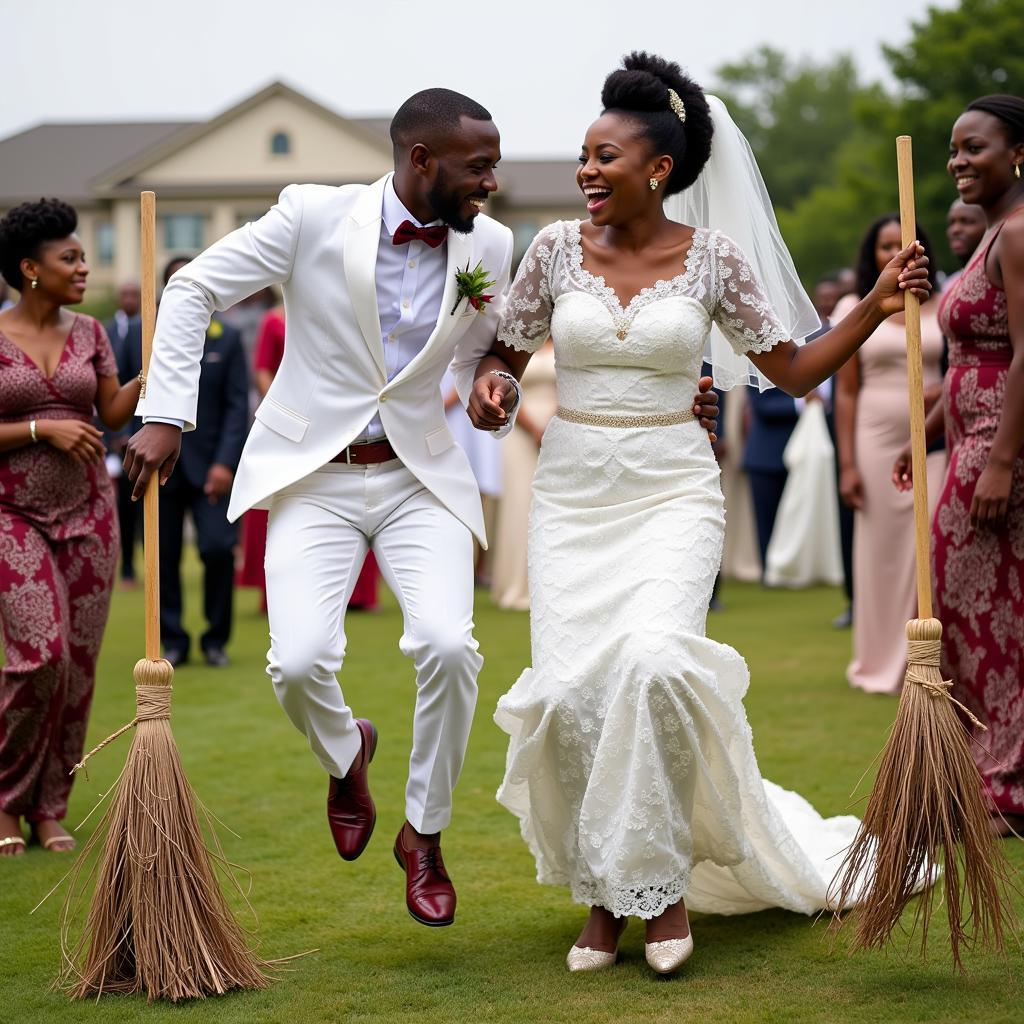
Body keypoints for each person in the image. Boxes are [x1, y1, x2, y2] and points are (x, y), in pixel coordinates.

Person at [121, 86, 724, 925]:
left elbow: (489, 357)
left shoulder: (492, 242)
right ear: (421, 160)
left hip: (420, 477)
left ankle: (425, 835)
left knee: (448, 645)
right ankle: (345, 753)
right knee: (297, 663)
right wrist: (164, 414)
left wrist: (493, 393)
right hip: (314, 475)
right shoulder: (309, 216)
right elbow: (191, 292)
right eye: (480, 167)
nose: (493, 182)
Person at [468, 52, 932, 974]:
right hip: (573, 494)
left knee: (653, 667)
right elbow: (503, 358)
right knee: (569, 695)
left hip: (673, 489)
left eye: (605, 157)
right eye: (583, 158)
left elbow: (794, 369)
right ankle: (601, 894)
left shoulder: (715, 259)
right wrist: (489, 387)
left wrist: (878, 304)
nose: (586, 173)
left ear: (659, 170)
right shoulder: (555, 249)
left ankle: (661, 889)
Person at [894, 94, 1024, 836]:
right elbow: (972, 354)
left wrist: (1001, 460)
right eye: (952, 149)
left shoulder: (1020, 234)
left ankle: (1001, 785)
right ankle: (976, 772)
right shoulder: (994, 235)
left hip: (1003, 447)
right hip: (970, 437)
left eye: (974, 147)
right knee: (963, 609)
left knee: (988, 615)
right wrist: (929, 429)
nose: (956, 162)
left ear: (1019, 154)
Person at [0, 199, 141, 857]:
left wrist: (155, 367)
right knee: (41, 655)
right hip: (12, 515)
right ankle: (5, 801)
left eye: (83, 257)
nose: (85, 268)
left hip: (91, 513)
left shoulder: (90, 333)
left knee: (79, 668)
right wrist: (40, 426)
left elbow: (112, 413)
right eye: (71, 258)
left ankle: (50, 806)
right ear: (30, 269)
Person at [833, 215, 945, 695]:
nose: (893, 251)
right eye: (884, 245)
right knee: (881, 553)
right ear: (871, 255)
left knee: (932, 544)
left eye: (903, 243)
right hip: (875, 440)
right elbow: (846, 392)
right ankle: (879, 661)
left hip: (936, 439)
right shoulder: (852, 308)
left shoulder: (942, 306)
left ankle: (924, 659)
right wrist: (848, 464)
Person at [156, 256, 248, 668]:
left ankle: (215, 640)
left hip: (212, 466)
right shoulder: (148, 334)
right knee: (163, 557)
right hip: (160, 469)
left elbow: (235, 406)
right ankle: (172, 640)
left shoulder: (226, 337)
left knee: (216, 550)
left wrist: (226, 463)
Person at [489, 338, 557, 610]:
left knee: (550, 506)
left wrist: (551, 422)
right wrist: (532, 427)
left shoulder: (563, 342)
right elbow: (506, 385)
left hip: (557, 424)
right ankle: (513, 585)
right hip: (519, 429)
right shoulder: (518, 346)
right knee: (518, 504)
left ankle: (549, 586)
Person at [104, 281, 143, 586]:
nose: (130, 299)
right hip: (119, 434)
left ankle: (150, 563)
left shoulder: (147, 328)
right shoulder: (107, 330)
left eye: (135, 295)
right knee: (125, 507)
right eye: (125, 293)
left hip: (148, 431)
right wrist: (117, 431)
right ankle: (127, 566)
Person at [945, 197, 988, 281]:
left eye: (967, 221)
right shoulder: (949, 284)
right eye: (951, 223)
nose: (955, 229)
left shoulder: (1000, 277)